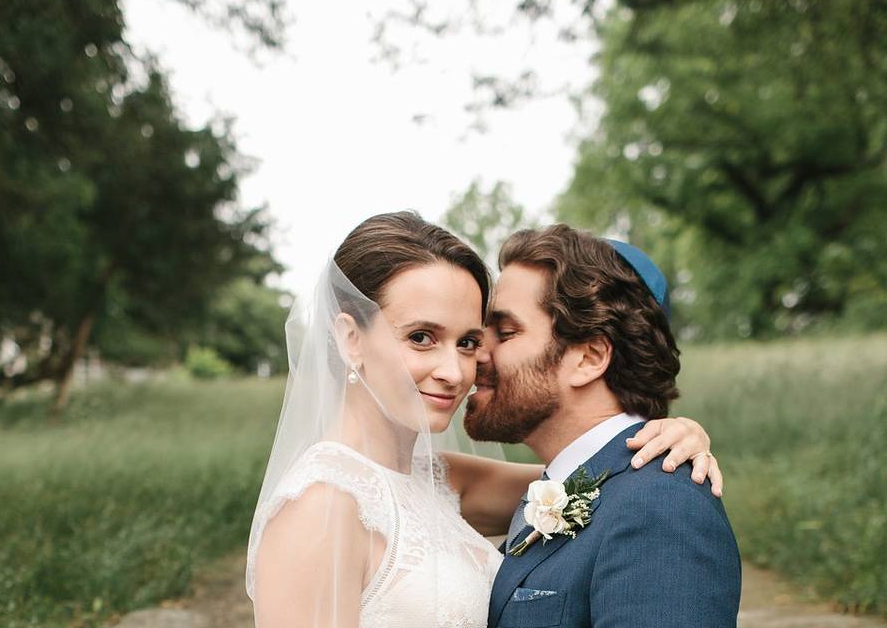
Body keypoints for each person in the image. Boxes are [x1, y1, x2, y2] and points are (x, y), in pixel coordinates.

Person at [245, 211, 722, 628]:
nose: (456, 372)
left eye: (469, 342)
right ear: (351, 338)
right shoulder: (319, 506)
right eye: (420, 337)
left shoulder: (439, 479)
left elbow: (600, 483)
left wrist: (671, 432)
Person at [467, 225, 741, 628]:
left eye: (505, 333)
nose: (474, 352)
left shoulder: (662, 507)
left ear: (589, 357)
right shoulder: (577, 486)